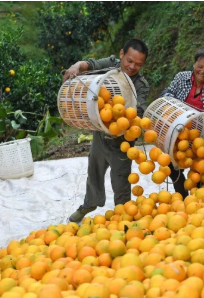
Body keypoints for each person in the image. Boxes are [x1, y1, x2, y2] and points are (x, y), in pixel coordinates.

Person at [63, 39, 151, 224]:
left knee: (121, 181)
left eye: (138, 64)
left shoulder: (141, 85)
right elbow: (90, 65)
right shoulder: (112, 64)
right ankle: (89, 204)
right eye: (129, 61)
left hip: (123, 141)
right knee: (94, 171)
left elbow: (139, 111)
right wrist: (75, 66)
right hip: (100, 132)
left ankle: (123, 216)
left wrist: (123, 121)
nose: (132, 66)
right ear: (121, 54)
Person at [161, 48, 204, 198]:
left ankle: (198, 202)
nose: (202, 71)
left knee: (199, 173)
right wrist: (166, 96)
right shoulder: (181, 78)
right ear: (194, 65)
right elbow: (169, 92)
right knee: (174, 167)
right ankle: (183, 198)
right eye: (200, 66)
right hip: (178, 132)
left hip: (201, 137)